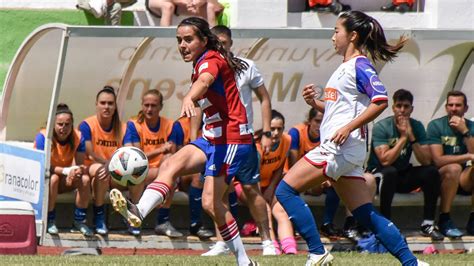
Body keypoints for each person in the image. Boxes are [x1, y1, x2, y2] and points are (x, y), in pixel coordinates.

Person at [275, 11, 426, 265]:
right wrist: (316, 103)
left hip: (338, 148)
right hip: (347, 151)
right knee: (365, 214)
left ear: (352, 35)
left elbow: (380, 101)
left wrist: (348, 128)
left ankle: (317, 251)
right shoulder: (346, 67)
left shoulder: (360, 65)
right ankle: (412, 263)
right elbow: (339, 110)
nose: (333, 36)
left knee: (285, 190)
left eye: (336, 30)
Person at [110, 17, 258, 265]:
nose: (182, 45)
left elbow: (205, 81)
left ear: (203, 40)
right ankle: (139, 211)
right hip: (212, 136)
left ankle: (245, 261)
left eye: (188, 39)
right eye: (179, 40)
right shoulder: (202, 61)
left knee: (211, 202)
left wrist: (189, 97)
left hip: (232, 138)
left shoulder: (210, 60)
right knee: (170, 165)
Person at [201, 24, 276, 256]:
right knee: (217, 194)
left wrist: (265, 132)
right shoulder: (206, 68)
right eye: (217, 43)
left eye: (224, 43)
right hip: (217, 140)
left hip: (243, 138)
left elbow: (264, 98)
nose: (221, 47)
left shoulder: (246, 66)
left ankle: (267, 242)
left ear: (231, 43)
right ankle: (223, 242)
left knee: (251, 190)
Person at [367, 89, 443, 241]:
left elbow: (426, 160)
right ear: (393, 107)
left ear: (411, 109)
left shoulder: (416, 126)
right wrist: (403, 137)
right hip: (379, 175)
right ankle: (386, 225)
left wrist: (412, 137)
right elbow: (385, 161)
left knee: (431, 172)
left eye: (406, 106)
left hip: (401, 174)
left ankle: (428, 224)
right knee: (390, 171)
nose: (402, 110)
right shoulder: (382, 126)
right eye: (399, 106)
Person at [123, 89, 182, 236]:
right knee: (137, 172)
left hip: (160, 172)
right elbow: (136, 158)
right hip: (142, 171)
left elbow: (173, 154)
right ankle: (134, 218)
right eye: (146, 105)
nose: (149, 109)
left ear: (160, 107)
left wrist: (164, 153)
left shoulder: (171, 125)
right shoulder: (134, 125)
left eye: (153, 105)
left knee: (171, 167)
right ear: (142, 105)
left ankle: (163, 221)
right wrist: (160, 150)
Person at [79, 86, 133, 235]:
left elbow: (127, 151)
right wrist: (109, 164)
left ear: (115, 106)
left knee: (137, 176)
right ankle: (99, 216)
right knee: (101, 171)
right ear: (96, 104)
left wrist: (112, 165)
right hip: (93, 168)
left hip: (115, 170)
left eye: (110, 103)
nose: (106, 107)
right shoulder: (87, 125)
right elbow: (90, 153)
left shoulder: (123, 127)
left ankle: (133, 215)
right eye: (103, 103)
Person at [34, 103, 93, 237]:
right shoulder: (43, 137)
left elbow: (80, 164)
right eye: (60, 124)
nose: (64, 128)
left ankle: (79, 221)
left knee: (84, 179)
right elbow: (43, 166)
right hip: (44, 180)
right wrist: (66, 171)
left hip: (65, 179)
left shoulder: (78, 137)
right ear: (52, 125)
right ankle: (49, 220)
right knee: (53, 178)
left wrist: (77, 171)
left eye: (67, 124)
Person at [426, 91, 474, 237]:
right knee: (453, 168)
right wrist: (468, 156)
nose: (453, 108)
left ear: (465, 108)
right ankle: (444, 219)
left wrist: (465, 131)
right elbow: (438, 160)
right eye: (450, 105)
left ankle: (473, 219)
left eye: (458, 105)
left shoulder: (471, 126)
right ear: (446, 107)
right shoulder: (436, 125)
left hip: (465, 178)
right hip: (442, 177)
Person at [256, 110, 297, 254]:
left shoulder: (286, 140)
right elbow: (251, 175)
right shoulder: (256, 144)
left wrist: (270, 188)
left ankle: (289, 248)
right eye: (272, 129)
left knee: (281, 209)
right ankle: (271, 246)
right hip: (249, 186)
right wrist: (261, 196)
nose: (275, 132)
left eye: (279, 129)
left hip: (269, 185)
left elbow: (280, 167)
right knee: (264, 208)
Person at [146, 0, 223, 26]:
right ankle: (164, 38)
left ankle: (214, 39)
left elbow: (218, 7)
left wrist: (198, 2)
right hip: (161, 2)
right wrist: (183, 2)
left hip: (183, 4)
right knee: (168, 6)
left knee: (211, 7)